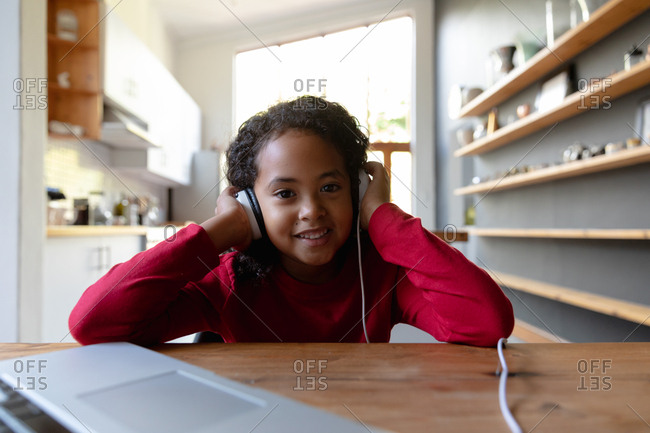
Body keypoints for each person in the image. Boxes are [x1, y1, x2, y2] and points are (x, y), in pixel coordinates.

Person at [69, 96, 513, 346]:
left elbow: (488, 322)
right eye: (284, 194)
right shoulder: (230, 284)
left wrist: (383, 219)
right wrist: (216, 233)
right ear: (251, 207)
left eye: (331, 187)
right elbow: (93, 323)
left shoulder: (380, 276)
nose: (311, 211)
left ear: (357, 190)